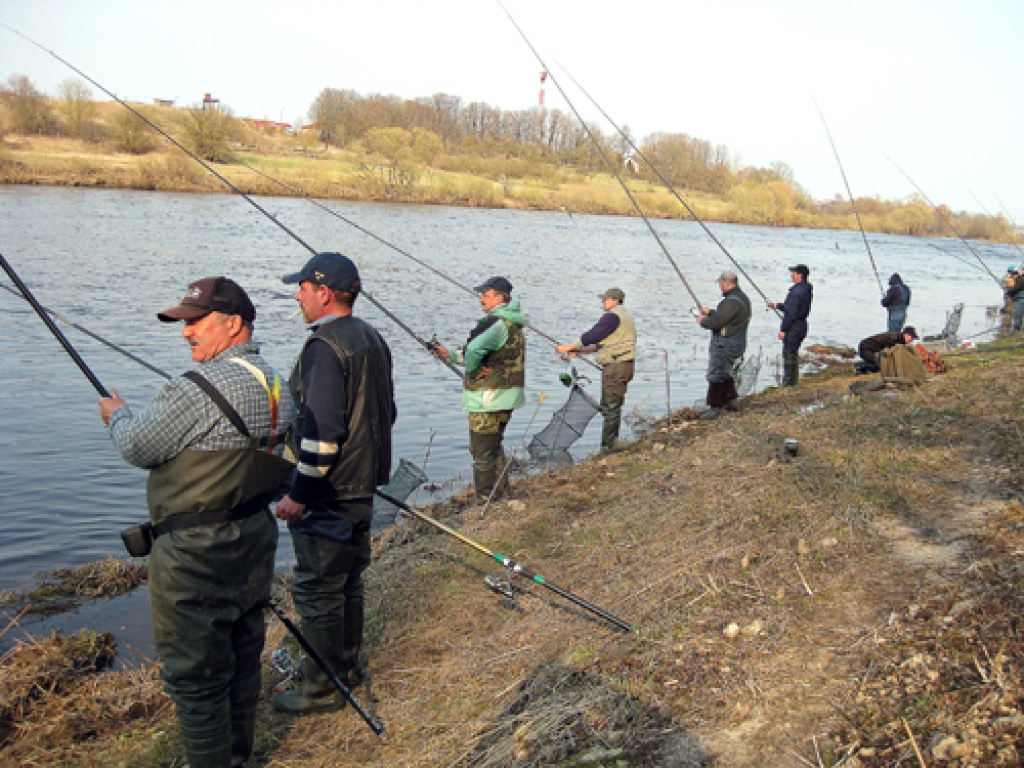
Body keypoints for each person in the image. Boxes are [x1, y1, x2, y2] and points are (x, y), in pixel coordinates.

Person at [99, 277, 295, 768]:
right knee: (242, 656)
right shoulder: (276, 382)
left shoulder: (195, 389)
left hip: (194, 556)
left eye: (195, 322)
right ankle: (239, 757)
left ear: (233, 324)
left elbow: (137, 447)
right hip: (253, 540)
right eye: (183, 323)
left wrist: (117, 415)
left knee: (196, 676)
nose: (186, 333)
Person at [273, 252, 396, 715]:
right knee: (347, 585)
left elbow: (323, 435)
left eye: (301, 288)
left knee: (319, 591)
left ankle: (322, 689)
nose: (297, 295)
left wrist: (297, 495)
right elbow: (387, 413)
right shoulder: (371, 337)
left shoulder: (323, 348)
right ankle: (344, 669)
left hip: (329, 491)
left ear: (323, 293)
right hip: (362, 487)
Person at [432, 276, 526, 502]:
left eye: (486, 294)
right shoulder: (513, 323)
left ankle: (485, 501)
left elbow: (474, 351)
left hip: (488, 399)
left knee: (482, 454)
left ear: (500, 297)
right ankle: (501, 495)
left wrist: (473, 372)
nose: (481, 298)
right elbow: (481, 353)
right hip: (507, 397)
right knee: (494, 447)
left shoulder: (495, 323)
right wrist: (450, 355)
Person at [555, 287, 636, 451]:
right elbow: (605, 343)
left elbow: (593, 335)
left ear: (615, 300)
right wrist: (581, 352)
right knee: (612, 406)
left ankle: (608, 448)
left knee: (610, 408)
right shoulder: (624, 316)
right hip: (623, 365)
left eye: (605, 299)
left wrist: (567, 347)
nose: (603, 302)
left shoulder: (612, 316)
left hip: (616, 367)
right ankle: (610, 445)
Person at [697, 271, 751, 414]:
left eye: (720, 283)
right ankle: (730, 400)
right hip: (738, 342)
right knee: (727, 373)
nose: (720, 286)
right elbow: (727, 319)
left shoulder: (730, 302)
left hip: (725, 344)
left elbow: (716, 323)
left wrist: (703, 321)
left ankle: (715, 407)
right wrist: (710, 312)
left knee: (716, 374)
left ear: (727, 283)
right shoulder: (742, 298)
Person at [769, 264, 813, 387]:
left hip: (794, 327)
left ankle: (788, 385)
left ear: (800, 275)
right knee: (793, 356)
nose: (792, 275)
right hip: (801, 325)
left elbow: (791, 313)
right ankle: (794, 383)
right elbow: (793, 309)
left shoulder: (797, 291)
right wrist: (777, 305)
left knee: (789, 357)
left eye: (794, 272)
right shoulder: (806, 289)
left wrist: (783, 330)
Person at [1005, 267, 1024, 331]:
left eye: (1012, 276)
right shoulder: (1019, 279)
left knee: (1017, 314)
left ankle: (1016, 329)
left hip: (1020, 299)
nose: (1012, 278)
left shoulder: (1020, 280)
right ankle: (1017, 328)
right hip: (1018, 299)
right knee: (1018, 314)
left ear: (1015, 275)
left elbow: (1016, 288)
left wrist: (1008, 292)